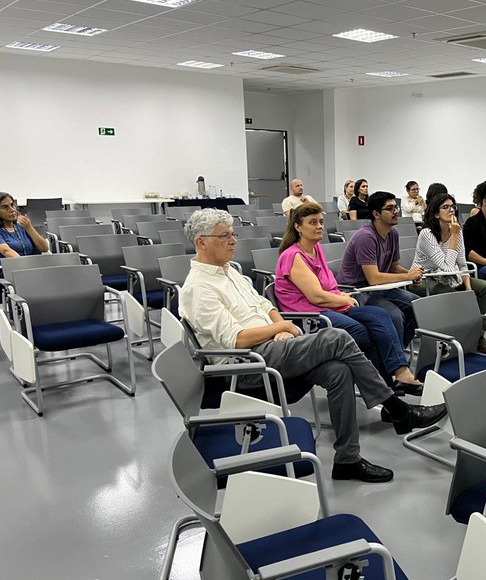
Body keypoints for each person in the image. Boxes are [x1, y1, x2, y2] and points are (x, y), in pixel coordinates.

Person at [179, 209, 446, 483]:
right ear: (201, 242)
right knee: (338, 337)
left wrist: (279, 326)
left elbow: (264, 305)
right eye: (225, 236)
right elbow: (236, 339)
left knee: (338, 370)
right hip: (247, 364)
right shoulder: (199, 288)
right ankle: (398, 409)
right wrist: (280, 328)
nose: (233, 240)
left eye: (233, 234)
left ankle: (347, 460)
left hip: (272, 346)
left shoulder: (229, 272)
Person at [275, 202, 424, 394]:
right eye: (312, 222)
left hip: (332, 306)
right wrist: (343, 299)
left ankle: (400, 373)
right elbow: (316, 296)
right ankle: (387, 388)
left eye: (321, 222)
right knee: (363, 332)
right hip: (310, 315)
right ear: (298, 226)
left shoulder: (315, 248)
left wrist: (340, 295)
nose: (319, 226)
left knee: (380, 315)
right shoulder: (292, 256)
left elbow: (328, 286)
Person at [337, 191, 424, 347]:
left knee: (419, 306)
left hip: (380, 288)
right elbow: (374, 278)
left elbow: (394, 267)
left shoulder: (393, 233)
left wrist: (411, 274)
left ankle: (397, 349)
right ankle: (394, 356)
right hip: (357, 291)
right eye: (390, 209)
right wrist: (408, 277)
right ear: (376, 214)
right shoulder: (366, 237)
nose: (395, 211)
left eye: (396, 207)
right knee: (395, 315)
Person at [413, 193, 486, 354]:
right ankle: (454, 338)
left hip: (449, 277)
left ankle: (478, 336)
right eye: (445, 207)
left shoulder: (457, 231)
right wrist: (455, 235)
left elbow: (462, 264)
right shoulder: (427, 234)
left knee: (485, 288)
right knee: (450, 293)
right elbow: (447, 267)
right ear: (436, 214)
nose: (451, 210)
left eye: (452, 207)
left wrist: (469, 289)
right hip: (423, 278)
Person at [0, 193, 49, 258]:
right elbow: (6, 251)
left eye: (12, 205)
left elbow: (44, 248)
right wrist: (24, 263)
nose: (12, 210)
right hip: (11, 264)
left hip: (29, 263)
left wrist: (29, 228)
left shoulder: (23, 226)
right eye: (5, 207)